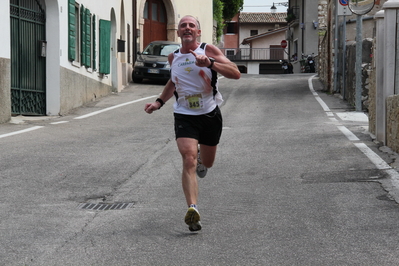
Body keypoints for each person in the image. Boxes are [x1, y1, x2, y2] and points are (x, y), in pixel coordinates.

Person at [144, 15, 241, 231]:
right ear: (178, 32)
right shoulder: (173, 57)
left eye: (191, 26)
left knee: (207, 162)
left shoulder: (209, 50)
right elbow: (173, 81)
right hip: (184, 114)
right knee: (187, 158)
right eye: (183, 26)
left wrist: (211, 63)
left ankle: (201, 160)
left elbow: (236, 73)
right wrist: (159, 102)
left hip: (209, 114)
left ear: (198, 32)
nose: (187, 28)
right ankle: (193, 210)